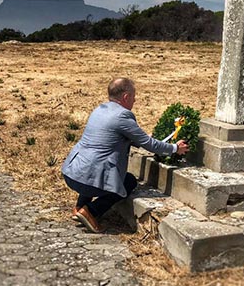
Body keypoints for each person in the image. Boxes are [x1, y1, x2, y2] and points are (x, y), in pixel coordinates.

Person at [61, 77, 189, 233]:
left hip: (72, 173)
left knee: (92, 163)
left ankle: (80, 206)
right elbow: (149, 145)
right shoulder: (123, 116)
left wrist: (143, 138)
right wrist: (175, 148)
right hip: (88, 180)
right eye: (134, 96)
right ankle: (91, 211)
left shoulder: (100, 109)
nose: (135, 100)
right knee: (128, 182)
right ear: (126, 97)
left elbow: (119, 139)